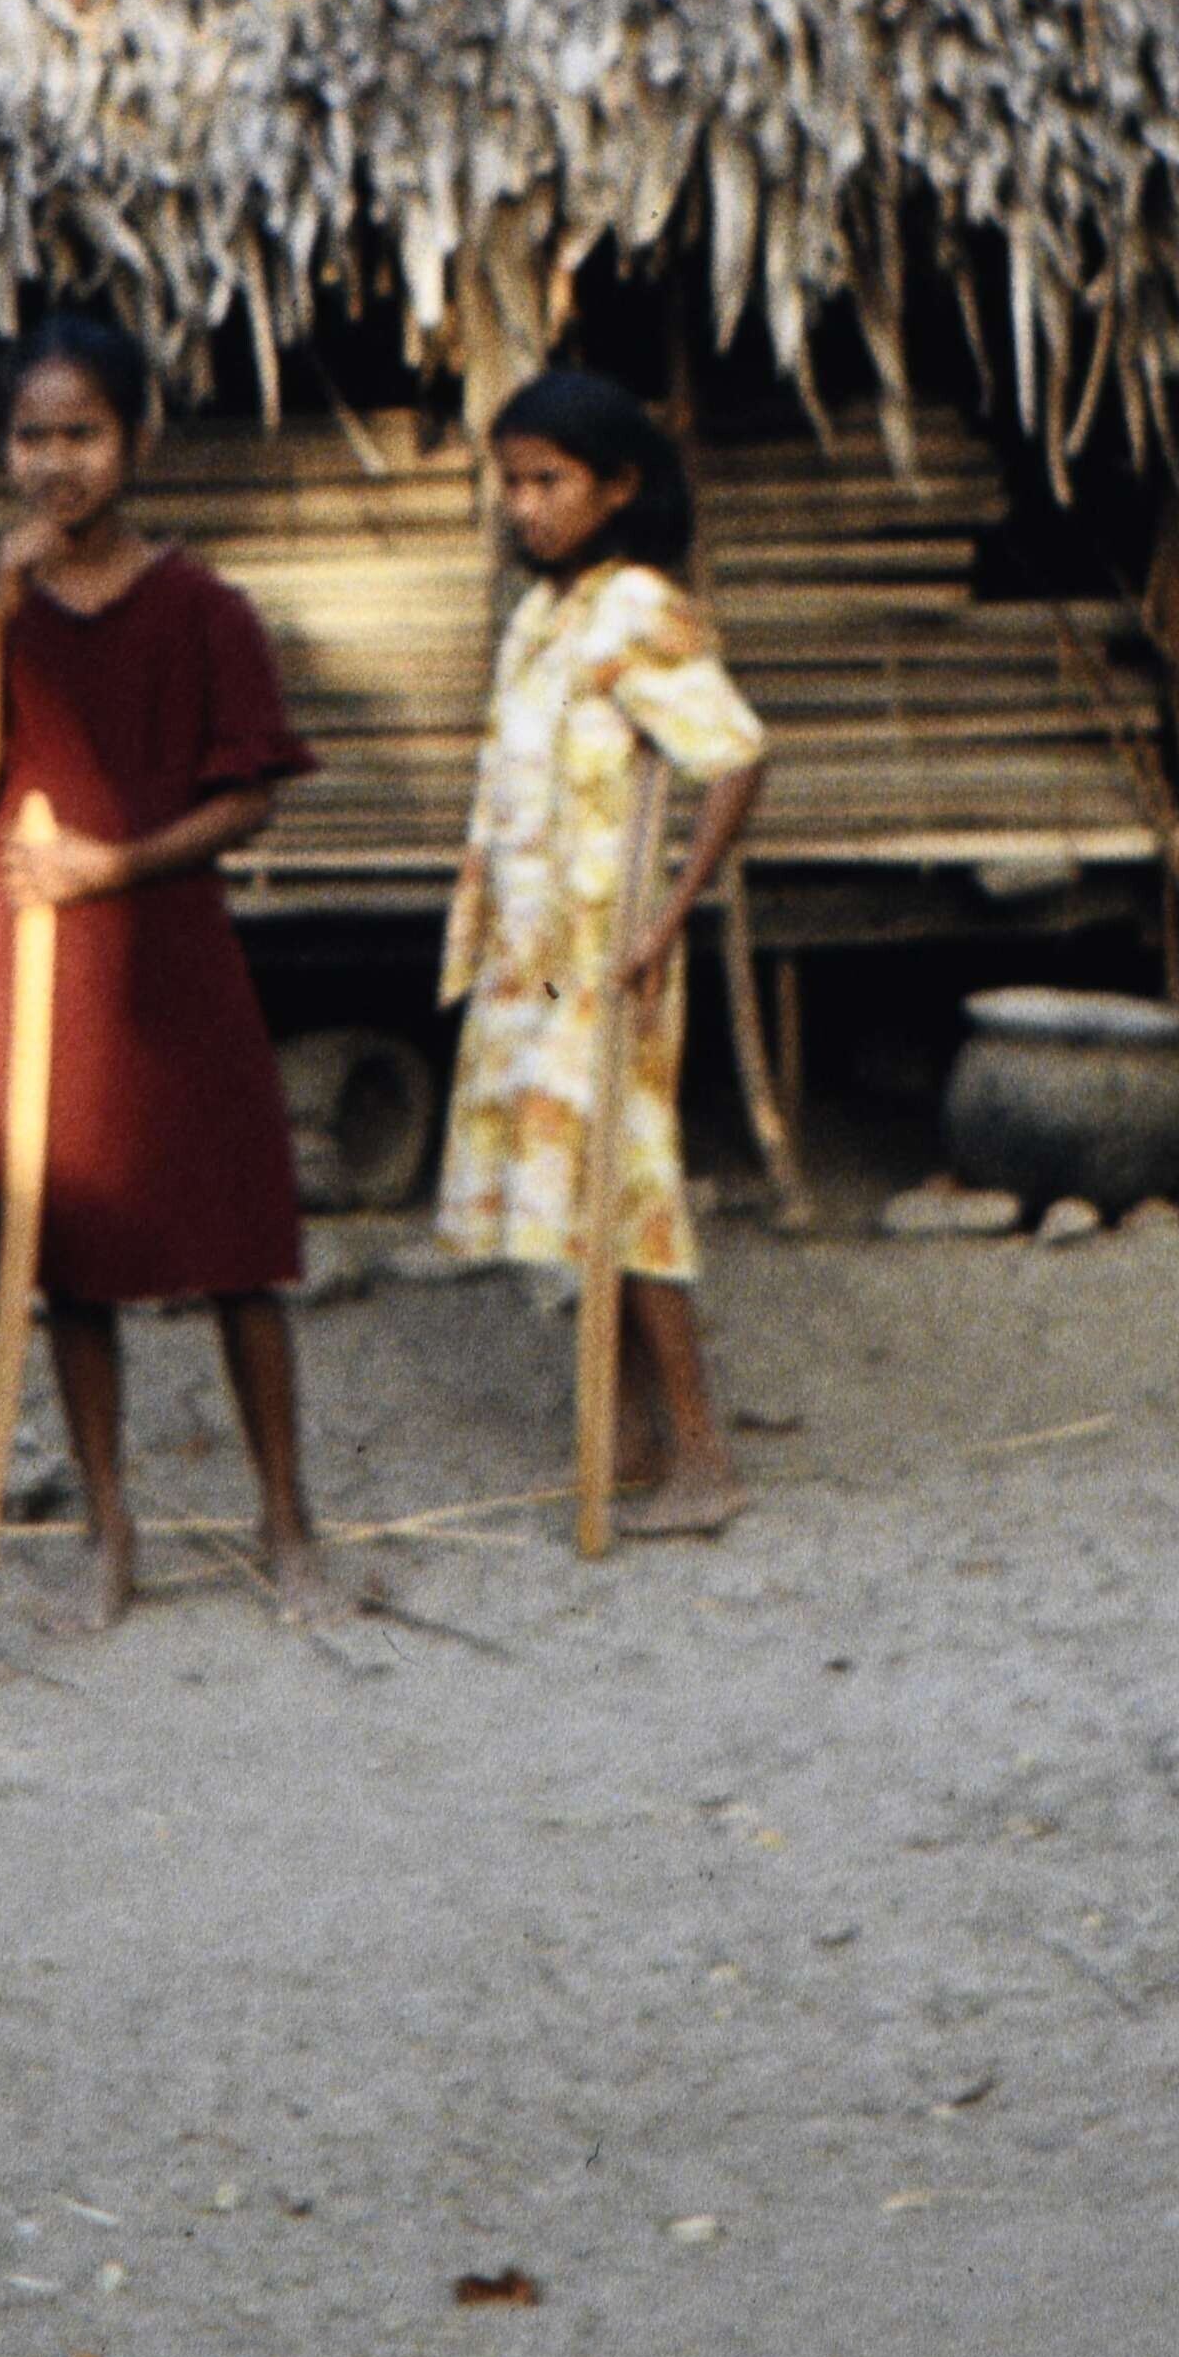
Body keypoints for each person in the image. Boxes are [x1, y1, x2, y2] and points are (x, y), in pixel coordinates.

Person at [0, 311, 335, 1635]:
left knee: (238, 1249)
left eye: (83, 432)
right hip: (38, 966)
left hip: (171, 952)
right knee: (68, 1257)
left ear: (134, 439)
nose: (56, 462)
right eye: (32, 436)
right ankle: (107, 1525)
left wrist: (119, 863)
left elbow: (248, 797)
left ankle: (287, 1521)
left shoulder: (203, 608)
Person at [425, 367, 772, 1536]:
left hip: (608, 952)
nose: (524, 504)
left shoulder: (636, 606)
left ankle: (702, 1454)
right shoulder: (541, 614)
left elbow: (733, 757)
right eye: (511, 482)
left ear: (617, 486)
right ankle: (622, 1435)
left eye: (549, 480)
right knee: (577, 1190)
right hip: (535, 953)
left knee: (629, 1186)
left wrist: (665, 919)